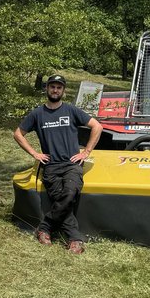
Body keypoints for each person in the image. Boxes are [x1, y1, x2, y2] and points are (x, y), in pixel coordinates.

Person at [13, 74, 103, 254]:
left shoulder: (71, 110)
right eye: (52, 87)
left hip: (71, 164)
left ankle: (44, 227)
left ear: (63, 91)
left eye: (59, 87)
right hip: (51, 166)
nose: (55, 90)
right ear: (47, 89)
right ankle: (75, 240)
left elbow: (97, 126)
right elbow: (18, 134)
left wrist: (86, 152)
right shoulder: (37, 114)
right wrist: (35, 153)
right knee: (62, 200)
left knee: (69, 194)